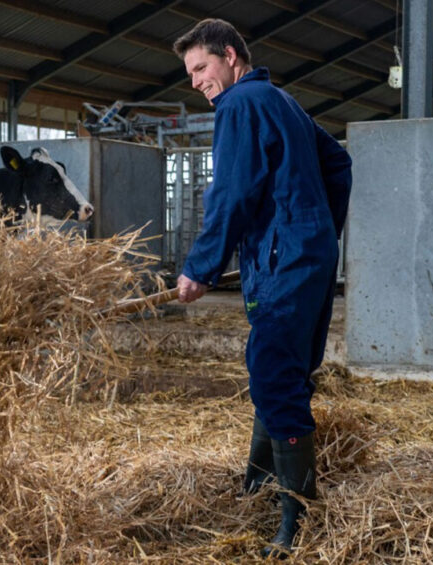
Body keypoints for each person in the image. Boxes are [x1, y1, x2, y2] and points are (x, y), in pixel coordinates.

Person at [172, 18, 352, 558]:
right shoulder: (282, 100)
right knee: (283, 369)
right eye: (191, 74)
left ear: (230, 55)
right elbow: (338, 163)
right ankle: (257, 483)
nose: (198, 81)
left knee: (274, 372)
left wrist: (201, 267)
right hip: (309, 258)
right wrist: (317, 231)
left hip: (283, 262)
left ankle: (299, 516)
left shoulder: (240, 105)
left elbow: (230, 193)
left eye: (201, 67)